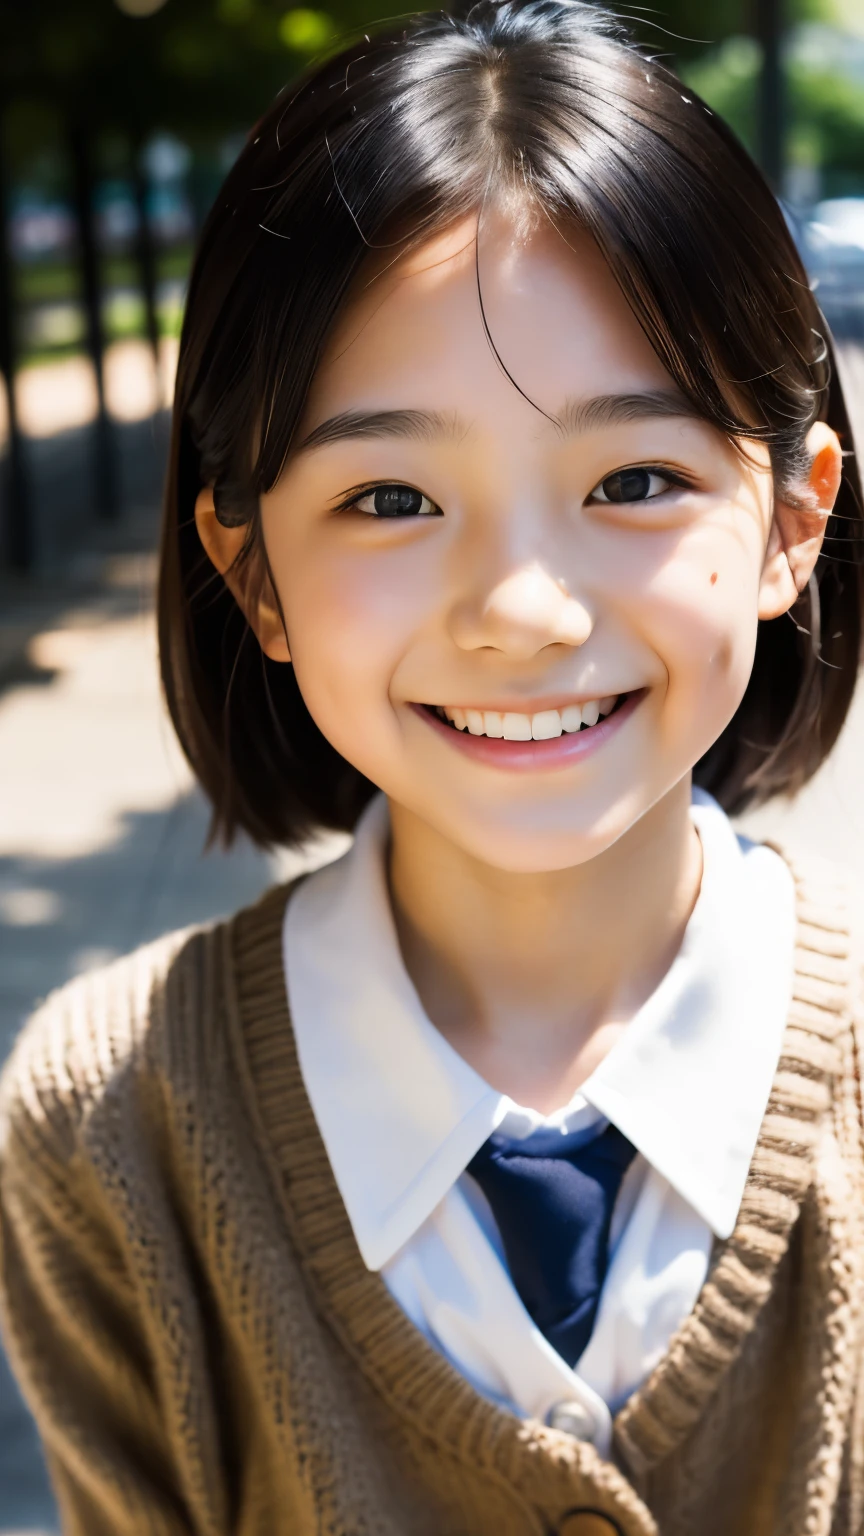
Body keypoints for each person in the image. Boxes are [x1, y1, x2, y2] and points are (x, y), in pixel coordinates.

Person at [2, 3, 864, 1532]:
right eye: (392, 497)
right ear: (250, 570)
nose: (522, 613)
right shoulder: (106, 1117)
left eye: (637, 480)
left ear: (794, 521)